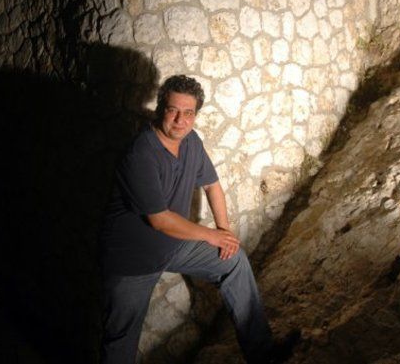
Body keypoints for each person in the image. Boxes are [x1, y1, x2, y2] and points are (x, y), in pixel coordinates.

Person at [99, 75, 295, 364]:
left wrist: (225, 232)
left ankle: (263, 355)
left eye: (188, 112)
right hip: (133, 261)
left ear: (195, 115)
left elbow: (212, 186)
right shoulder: (140, 154)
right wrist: (211, 235)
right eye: (173, 110)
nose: (180, 120)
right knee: (120, 340)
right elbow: (159, 220)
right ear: (160, 109)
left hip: (173, 245)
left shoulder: (191, 142)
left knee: (234, 261)